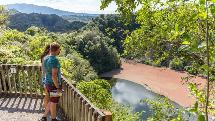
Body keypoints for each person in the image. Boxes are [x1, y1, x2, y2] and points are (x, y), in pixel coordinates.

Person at [40, 42, 62, 121]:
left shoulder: (45, 58)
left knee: (51, 100)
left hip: (47, 83)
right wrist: (58, 87)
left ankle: (44, 117)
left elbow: (44, 71)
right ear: (56, 50)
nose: (60, 51)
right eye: (59, 49)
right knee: (54, 102)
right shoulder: (55, 60)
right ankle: (53, 119)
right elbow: (54, 76)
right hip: (54, 85)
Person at [40, 45, 50, 111]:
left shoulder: (44, 57)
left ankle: (44, 105)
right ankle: (45, 107)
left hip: (44, 76)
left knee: (47, 93)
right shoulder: (47, 57)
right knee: (47, 94)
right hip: (46, 77)